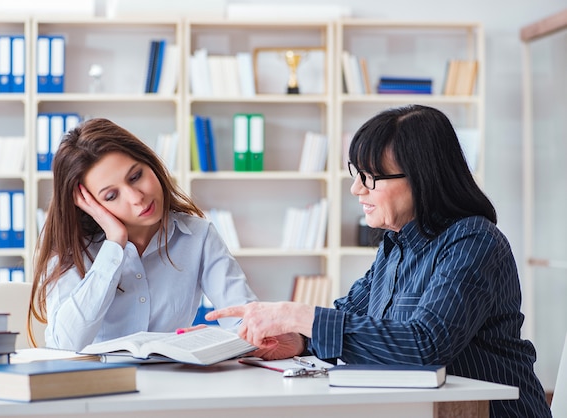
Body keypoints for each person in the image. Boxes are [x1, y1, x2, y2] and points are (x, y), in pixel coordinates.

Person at [207, 105, 552, 417]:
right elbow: (350, 318)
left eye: (370, 177)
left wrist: (297, 315)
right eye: (356, 173)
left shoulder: (474, 241)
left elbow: (426, 346)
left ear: (421, 178)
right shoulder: (394, 244)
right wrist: (295, 340)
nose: (357, 189)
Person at [28, 117, 259, 351]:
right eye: (111, 196)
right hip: (97, 383)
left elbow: (248, 323)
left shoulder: (198, 236)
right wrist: (114, 246)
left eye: (136, 176)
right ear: (88, 204)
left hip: (175, 381)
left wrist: (213, 338)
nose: (136, 198)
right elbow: (63, 345)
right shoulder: (72, 248)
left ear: (149, 163)